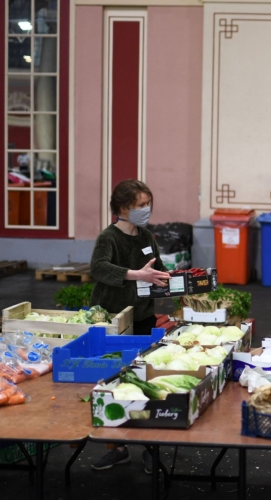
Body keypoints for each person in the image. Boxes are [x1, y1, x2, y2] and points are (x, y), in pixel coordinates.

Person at [89, 179, 170, 473]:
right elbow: (98, 267)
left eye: (148, 204)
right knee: (114, 382)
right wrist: (137, 275)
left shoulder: (146, 235)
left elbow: (155, 268)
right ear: (123, 208)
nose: (146, 210)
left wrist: (168, 278)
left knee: (145, 380)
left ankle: (150, 446)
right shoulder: (108, 238)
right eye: (140, 205)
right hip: (114, 319)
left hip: (144, 316)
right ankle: (117, 446)